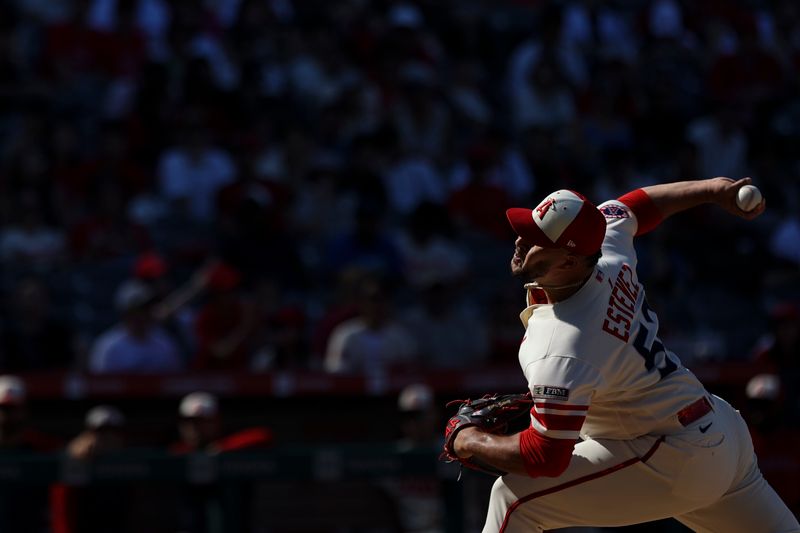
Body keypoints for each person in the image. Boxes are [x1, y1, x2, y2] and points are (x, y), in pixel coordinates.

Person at [448, 178, 800, 532]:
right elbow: (637, 206)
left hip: (672, 454)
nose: (522, 241)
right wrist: (713, 189)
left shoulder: (562, 342)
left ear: (569, 261)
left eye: (538, 240)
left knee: (512, 500)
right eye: (525, 229)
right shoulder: (605, 249)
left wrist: (469, 440)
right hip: (719, 429)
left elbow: (545, 457)